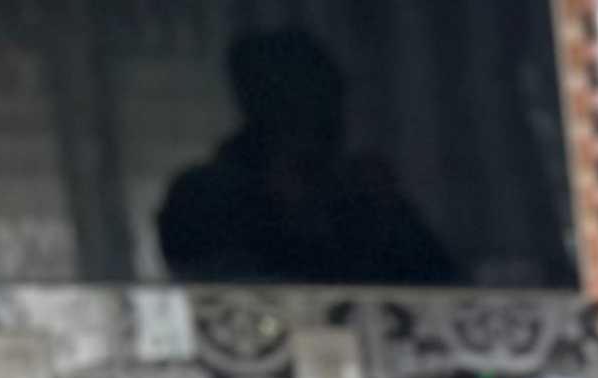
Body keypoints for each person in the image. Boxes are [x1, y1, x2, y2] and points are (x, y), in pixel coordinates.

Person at [156, 28, 459, 287]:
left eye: (332, 97)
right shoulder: (205, 193)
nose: (331, 115)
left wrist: (387, 211)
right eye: (306, 97)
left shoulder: (361, 193)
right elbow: (215, 290)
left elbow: (445, 288)